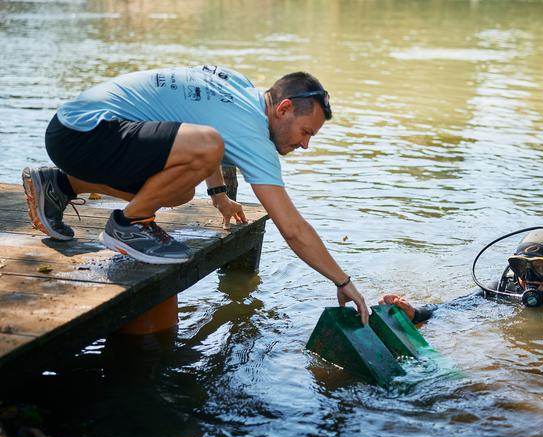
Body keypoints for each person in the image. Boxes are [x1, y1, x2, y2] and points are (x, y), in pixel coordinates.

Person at [22, 65, 369, 323]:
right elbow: (292, 228)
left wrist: (218, 195)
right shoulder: (253, 134)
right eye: (305, 131)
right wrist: (343, 281)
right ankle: (128, 224)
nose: (305, 144)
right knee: (206, 146)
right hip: (86, 134)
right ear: (283, 109)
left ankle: (60, 185)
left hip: (74, 130)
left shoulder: (241, 89)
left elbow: (195, 122)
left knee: (179, 192)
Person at [379, 227, 543, 324]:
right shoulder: (505, 286)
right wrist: (414, 313)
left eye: (539, 268)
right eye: (521, 267)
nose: (528, 278)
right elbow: (452, 308)